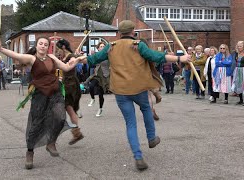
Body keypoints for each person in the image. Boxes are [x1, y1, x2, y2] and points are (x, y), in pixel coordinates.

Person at [73, 20, 191, 171]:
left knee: (130, 123)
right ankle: (151, 137)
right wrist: (181, 58)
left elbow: (92, 59)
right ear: (133, 31)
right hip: (139, 87)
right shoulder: (138, 45)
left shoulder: (111, 46)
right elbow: (157, 56)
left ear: (119, 32)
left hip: (121, 91)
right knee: (146, 108)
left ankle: (138, 156)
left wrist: (78, 58)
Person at [0, 37, 81, 170]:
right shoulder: (31, 59)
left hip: (55, 92)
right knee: (36, 123)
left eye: (46, 44)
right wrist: (1, 48)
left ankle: (51, 142)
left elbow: (66, 67)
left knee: (60, 117)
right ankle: (30, 152)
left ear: (48, 47)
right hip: (40, 94)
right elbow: (17, 55)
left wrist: (77, 60)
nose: (43, 46)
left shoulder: (51, 57)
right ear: (37, 45)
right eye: (41, 44)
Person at [55, 39, 84, 145]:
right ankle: (76, 132)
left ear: (63, 47)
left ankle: (77, 132)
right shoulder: (64, 56)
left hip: (70, 84)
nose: (57, 51)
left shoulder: (70, 56)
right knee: (69, 108)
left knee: (69, 108)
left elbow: (75, 60)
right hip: (66, 83)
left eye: (58, 49)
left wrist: (74, 58)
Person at [85, 41, 109, 117]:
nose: (102, 48)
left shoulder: (108, 55)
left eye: (103, 46)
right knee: (91, 86)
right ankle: (92, 98)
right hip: (97, 74)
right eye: (101, 46)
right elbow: (90, 62)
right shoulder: (96, 56)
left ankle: (100, 108)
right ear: (98, 48)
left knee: (100, 94)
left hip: (104, 76)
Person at [231, 41, 244, 105]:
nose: (239, 47)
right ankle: (241, 100)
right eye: (238, 46)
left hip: (243, 70)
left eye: (240, 46)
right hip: (237, 70)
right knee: (239, 85)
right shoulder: (236, 54)